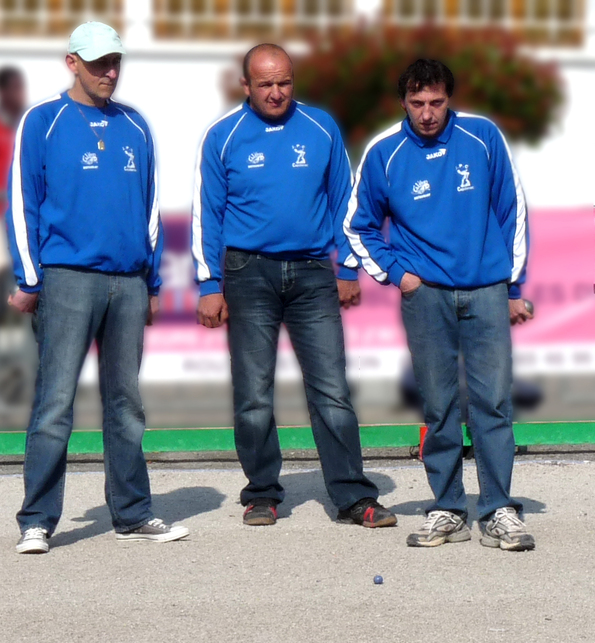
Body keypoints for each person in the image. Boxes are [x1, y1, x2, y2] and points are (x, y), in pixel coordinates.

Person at [192, 43, 396, 528]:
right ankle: (262, 492)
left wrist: (347, 269)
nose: (276, 92)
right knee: (254, 392)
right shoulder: (224, 136)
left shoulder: (321, 127)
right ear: (245, 86)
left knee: (331, 389)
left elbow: (345, 201)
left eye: (284, 81)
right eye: (265, 84)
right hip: (248, 273)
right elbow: (209, 214)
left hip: (312, 274)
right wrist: (209, 282)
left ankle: (352, 496)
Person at [6, 22, 189, 554]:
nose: (109, 71)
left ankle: (132, 513)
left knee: (126, 404)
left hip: (127, 283)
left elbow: (150, 208)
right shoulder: (43, 121)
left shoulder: (135, 125)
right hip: (68, 279)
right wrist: (31, 278)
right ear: (72, 63)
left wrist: (150, 282)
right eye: (98, 62)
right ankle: (37, 519)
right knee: (55, 402)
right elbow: (22, 203)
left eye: (115, 62)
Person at [344, 59, 535, 551]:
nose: (428, 114)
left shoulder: (482, 137)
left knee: (492, 402)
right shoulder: (385, 152)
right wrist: (399, 276)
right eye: (417, 103)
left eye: (437, 103)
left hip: (486, 289)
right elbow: (358, 225)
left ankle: (498, 510)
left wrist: (512, 287)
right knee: (440, 405)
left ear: (450, 99)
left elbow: (511, 209)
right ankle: (448, 507)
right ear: (403, 102)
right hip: (424, 295)